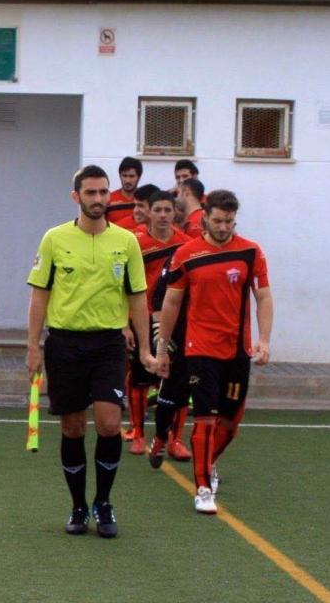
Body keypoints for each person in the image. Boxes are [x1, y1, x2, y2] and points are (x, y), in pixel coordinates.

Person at [26, 164, 154, 539]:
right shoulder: (54, 239)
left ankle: (104, 501)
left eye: (103, 192)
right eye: (90, 192)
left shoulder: (126, 242)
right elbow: (39, 295)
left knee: (110, 423)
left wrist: (146, 350)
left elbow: (138, 298)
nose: (98, 199)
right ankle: (79, 505)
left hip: (108, 344)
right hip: (64, 344)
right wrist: (32, 346)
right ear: (76, 197)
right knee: (73, 427)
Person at [155, 189, 273, 514]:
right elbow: (172, 302)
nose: (223, 227)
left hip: (237, 350)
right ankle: (203, 488)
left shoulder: (250, 252)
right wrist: (162, 348)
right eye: (218, 220)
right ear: (205, 217)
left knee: (230, 422)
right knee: (205, 418)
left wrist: (264, 340)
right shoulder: (186, 254)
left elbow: (263, 296)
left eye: (229, 221)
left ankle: (209, 462)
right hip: (200, 348)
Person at [126, 191, 192, 458]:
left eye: (168, 210)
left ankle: (175, 439)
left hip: (176, 322)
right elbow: (123, 286)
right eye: (158, 210)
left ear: (175, 213)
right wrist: (125, 325)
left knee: (179, 381)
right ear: (148, 212)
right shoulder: (135, 244)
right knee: (140, 378)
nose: (163, 215)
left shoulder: (187, 245)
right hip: (142, 319)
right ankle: (138, 434)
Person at [106, 156, 143, 225]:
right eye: (124, 176)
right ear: (120, 176)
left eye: (131, 176)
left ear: (139, 177)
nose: (127, 180)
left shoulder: (145, 200)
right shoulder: (108, 199)